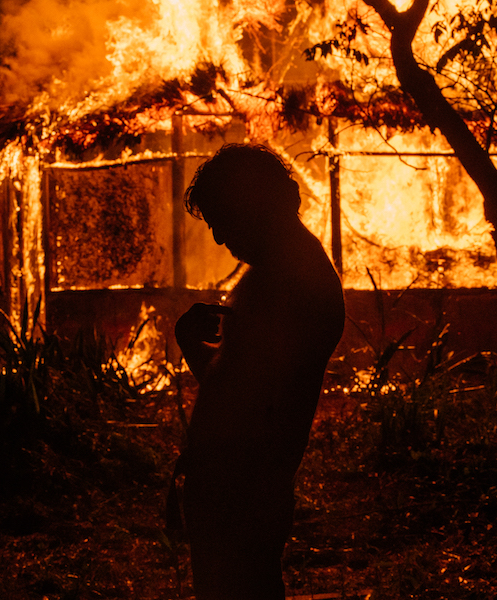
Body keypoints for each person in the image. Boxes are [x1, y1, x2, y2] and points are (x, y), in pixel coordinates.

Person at [174, 144, 345, 600]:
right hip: (243, 491)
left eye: (220, 220)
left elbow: (248, 403)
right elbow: (241, 386)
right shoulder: (288, 274)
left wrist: (196, 350)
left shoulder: (286, 283)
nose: (218, 238)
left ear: (251, 206)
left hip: (241, 493)